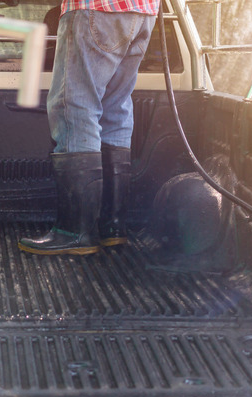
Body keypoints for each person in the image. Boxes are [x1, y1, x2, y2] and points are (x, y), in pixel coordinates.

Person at [18, 0, 160, 255]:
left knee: (74, 105)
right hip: (143, 12)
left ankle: (75, 232)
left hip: (96, 8)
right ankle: (112, 227)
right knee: (115, 107)